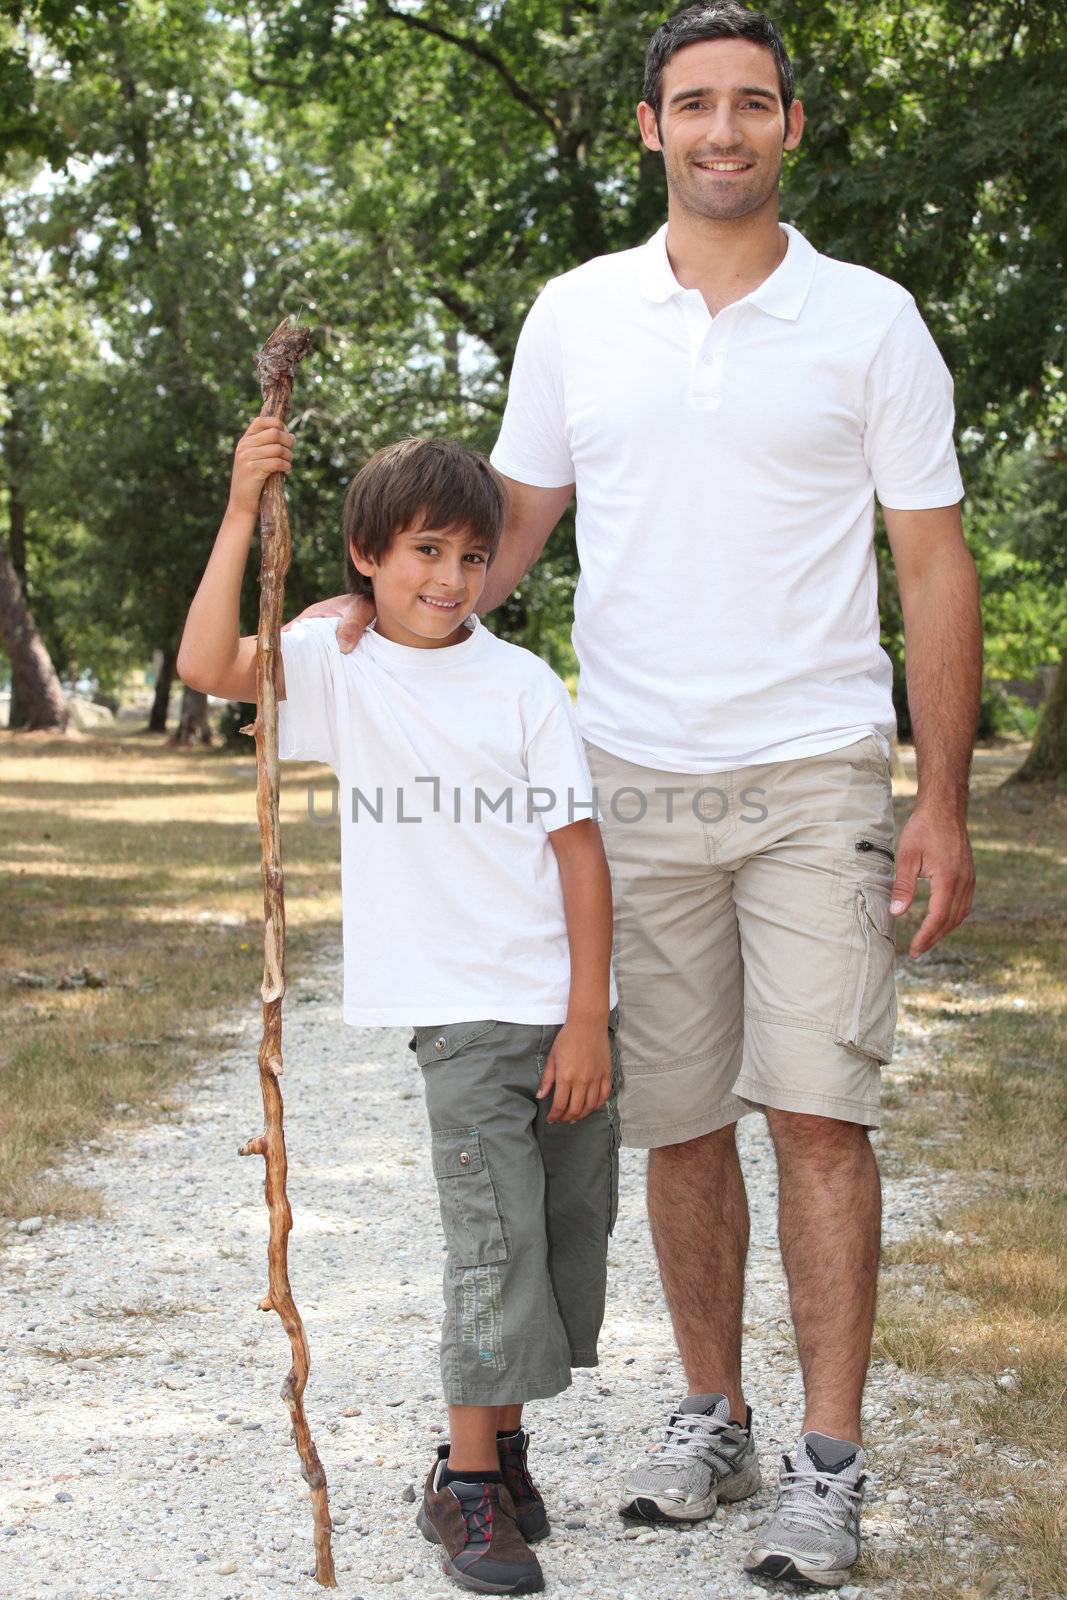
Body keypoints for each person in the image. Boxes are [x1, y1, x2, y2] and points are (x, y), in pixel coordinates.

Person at [292, 2, 982, 1587]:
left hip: (814, 763)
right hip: (633, 765)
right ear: (651, 130)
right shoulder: (575, 315)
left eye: (750, 104)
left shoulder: (868, 321)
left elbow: (931, 565)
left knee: (815, 1113)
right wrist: (367, 623)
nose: (721, 130)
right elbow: (505, 525)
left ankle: (824, 1464)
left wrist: (937, 798)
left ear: (789, 127)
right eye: (693, 105)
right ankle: (708, 1414)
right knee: (674, 1125)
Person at [176, 424, 621, 1597]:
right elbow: (206, 665)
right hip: (458, 1016)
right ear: (367, 553)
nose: (450, 578)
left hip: (561, 1013)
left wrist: (587, 1018)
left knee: (565, 1241)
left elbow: (579, 858)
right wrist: (238, 513)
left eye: (473, 556)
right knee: (494, 1242)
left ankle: (501, 1446)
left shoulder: (523, 684)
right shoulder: (341, 667)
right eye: (424, 549)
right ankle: (465, 1491)